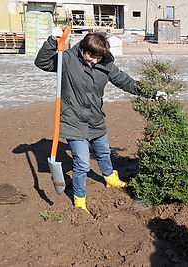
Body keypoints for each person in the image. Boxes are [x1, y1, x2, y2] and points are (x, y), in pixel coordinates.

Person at [35, 27, 142, 213]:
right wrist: (53, 40)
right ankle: (79, 198)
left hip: (95, 118)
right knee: (82, 163)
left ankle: (109, 177)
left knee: (103, 151)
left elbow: (125, 81)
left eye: (98, 58)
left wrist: (149, 91)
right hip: (73, 120)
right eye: (91, 56)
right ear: (83, 49)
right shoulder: (66, 59)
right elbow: (42, 62)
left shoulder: (105, 63)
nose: (94, 61)